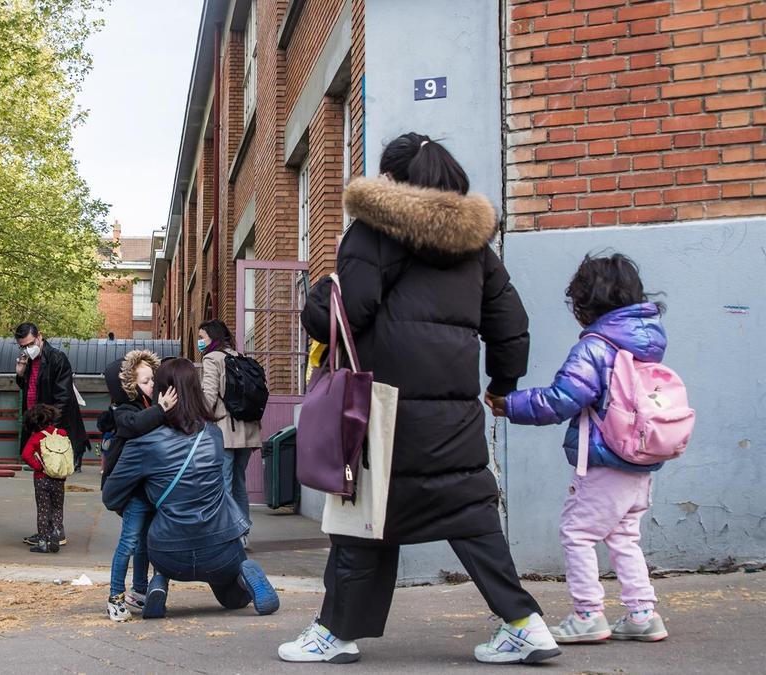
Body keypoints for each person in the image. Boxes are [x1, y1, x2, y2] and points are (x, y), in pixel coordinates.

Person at [278, 133, 559, 665]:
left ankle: (334, 634)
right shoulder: (476, 246)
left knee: (364, 517)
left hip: (381, 409)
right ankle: (526, 624)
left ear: (393, 178)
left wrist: (319, 298)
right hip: (453, 416)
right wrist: (501, 386)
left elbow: (349, 312)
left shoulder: (371, 231)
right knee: (472, 515)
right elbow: (511, 326)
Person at [491, 254, 669, 644]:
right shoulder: (647, 340)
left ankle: (588, 614)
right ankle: (642, 613)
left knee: (576, 532)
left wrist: (512, 404)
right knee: (624, 535)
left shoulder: (597, 346)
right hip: (641, 461)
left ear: (588, 305)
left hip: (606, 459)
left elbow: (562, 399)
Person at [102, 358, 280, 620]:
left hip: (168, 551)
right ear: (197, 391)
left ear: (163, 393)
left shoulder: (143, 442)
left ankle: (159, 582)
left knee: (157, 550)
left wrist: (146, 492)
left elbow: (111, 496)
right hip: (221, 545)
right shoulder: (214, 435)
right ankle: (243, 573)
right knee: (232, 598)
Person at [97, 350, 177, 622]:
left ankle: (139, 590)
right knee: (129, 543)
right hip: (133, 492)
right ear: (129, 386)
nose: (152, 384)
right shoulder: (126, 410)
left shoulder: (147, 406)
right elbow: (136, 425)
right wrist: (161, 409)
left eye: (153, 378)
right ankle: (115, 597)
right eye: (145, 381)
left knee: (145, 543)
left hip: (150, 488)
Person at [15, 322, 90, 546]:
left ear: (39, 337)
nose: (26, 349)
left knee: (50, 485)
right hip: (36, 426)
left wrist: (49, 431)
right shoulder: (28, 361)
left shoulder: (57, 359)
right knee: (44, 484)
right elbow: (28, 389)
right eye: (22, 346)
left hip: (49, 430)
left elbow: (63, 398)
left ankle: (52, 532)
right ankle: (50, 530)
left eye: (29, 344)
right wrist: (20, 374)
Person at [197, 319, 262, 543]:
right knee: (239, 482)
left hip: (225, 431)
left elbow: (209, 396)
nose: (199, 342)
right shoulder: (239, 357)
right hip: (248, 430)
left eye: (202, 338)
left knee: (222, 483)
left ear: (213, 339)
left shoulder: (212, 359)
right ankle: (243, 533)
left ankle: (227, 533)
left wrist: (196, 419)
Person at [20, 404, 69, 554]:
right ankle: (56, 533)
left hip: (42, 478)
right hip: (59, 478)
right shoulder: (61, 432)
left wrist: (38, 467)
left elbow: (26, 455)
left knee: (43, 509)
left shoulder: (36, 437)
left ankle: (43, 541)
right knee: (57, 508)